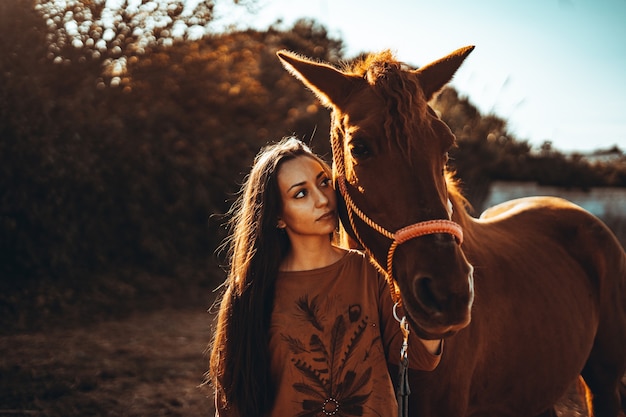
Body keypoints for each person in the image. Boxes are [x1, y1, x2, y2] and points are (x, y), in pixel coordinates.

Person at [208, 137, 442, 417]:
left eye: (323, 182)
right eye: (300, 194)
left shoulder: (371, 271)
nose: (322, 199)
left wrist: (437, 297)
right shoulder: (250, 292)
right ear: (277, 217)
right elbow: (231, 400)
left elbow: (418, 355)